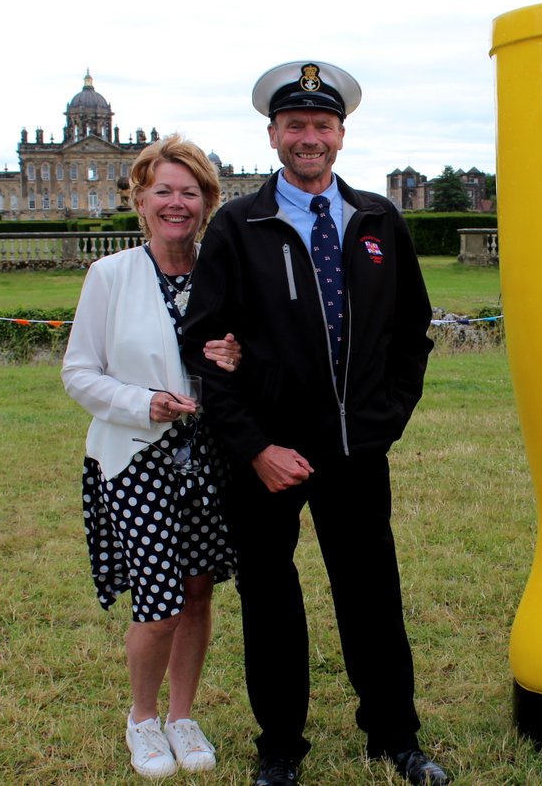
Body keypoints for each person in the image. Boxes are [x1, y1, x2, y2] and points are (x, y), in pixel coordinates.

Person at [181, 62, 448, 786]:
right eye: (295, 125)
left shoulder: (377, 221)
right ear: (272, 135)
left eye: (321, 126)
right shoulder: (239, 226)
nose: (309, 138)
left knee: (371, 595)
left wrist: (385, 419)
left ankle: (395, 735)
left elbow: (412, 331)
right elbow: (204, 347)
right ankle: (279, 749)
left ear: (340, 134)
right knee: (270, 600)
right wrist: (256, 446)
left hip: (357, 451)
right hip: (266, 454)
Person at [62, 135, 242, 779]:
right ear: (139, 199)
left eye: (189, 192)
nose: (176, 203)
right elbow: (79, 374)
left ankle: (182, 715)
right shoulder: (110, 274)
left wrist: (238, 361)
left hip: (211, 461)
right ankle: (142, 718)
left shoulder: (224, 272)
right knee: (159, 601)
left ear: (207, 203)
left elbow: (251, 359)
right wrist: (143, 402)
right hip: (135, 458)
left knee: (197, 594)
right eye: (162, 190)